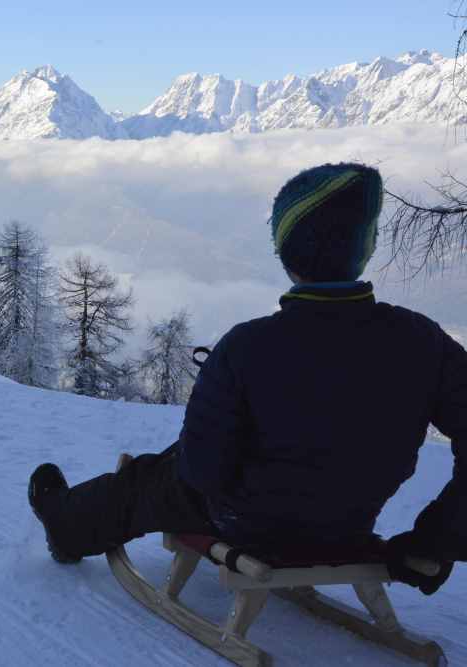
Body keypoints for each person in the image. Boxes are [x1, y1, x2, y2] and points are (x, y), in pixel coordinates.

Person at [29, 163, 467, 595]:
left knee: (149, 481)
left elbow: (202, 472)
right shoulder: (423, 342)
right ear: (365, 247)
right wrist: (436, 538)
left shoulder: (247, 347)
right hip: (349, 524)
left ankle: (63, 525)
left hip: (247, 526)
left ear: (288, 256)